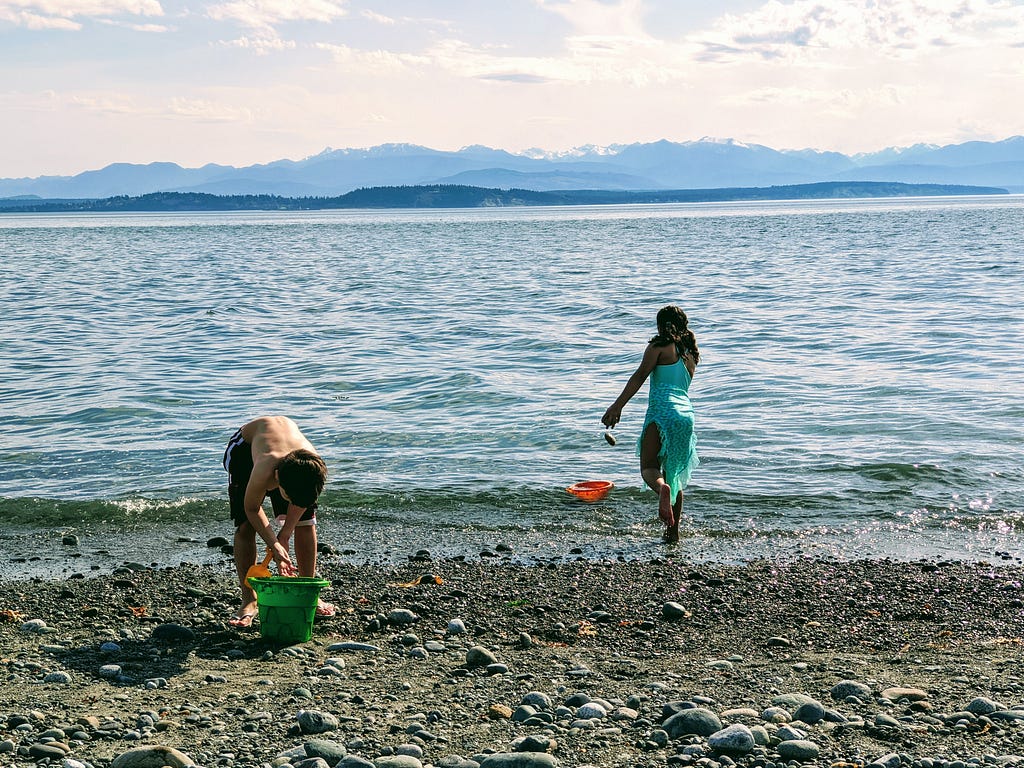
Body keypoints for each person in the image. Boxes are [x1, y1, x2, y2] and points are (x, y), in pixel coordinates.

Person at [222, 416, 333, 627]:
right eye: (286, 497)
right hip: (244, 447)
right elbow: (252, 509)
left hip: (292, 453)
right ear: (277, 478)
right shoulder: (264, 468)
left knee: (306, 523)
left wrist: (284, 534)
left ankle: (308, 591)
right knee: (245, 526)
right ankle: (249, 600)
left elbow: (302, 503)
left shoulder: (313, 469)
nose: (289, 502)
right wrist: (274, 544)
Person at [602, 306, 700, 543]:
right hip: (686, 416)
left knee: (648, 467)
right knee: (673, 476)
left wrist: (617, 406)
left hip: (662, 411)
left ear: (660, 325)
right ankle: (672, 534)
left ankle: (661, 490)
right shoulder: (690, 354)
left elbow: (640, 375)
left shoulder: (658, 347)